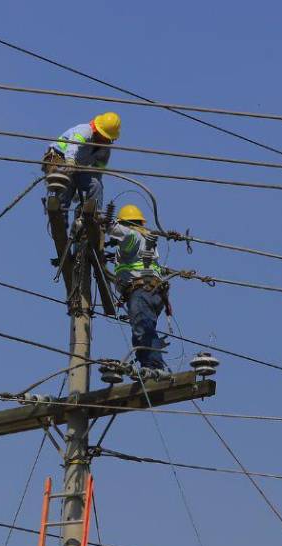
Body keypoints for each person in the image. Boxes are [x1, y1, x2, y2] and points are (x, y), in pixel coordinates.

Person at [106, 204, 170, 376]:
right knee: (142, 329)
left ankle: (155, 367)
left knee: (143, 328)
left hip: (141, 292)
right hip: (154, 294)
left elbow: (121, 232)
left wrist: (104, 222)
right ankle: (147, 366)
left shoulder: (132, 235)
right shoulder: (146, 239)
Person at [43, 112, 122, 223]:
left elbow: (97, 173)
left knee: (96, 185)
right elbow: (73, 145)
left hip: (76, 168)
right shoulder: (85, 130)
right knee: (66, 184)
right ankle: (60, 219)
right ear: (97, 131)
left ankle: (93, 219)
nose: (106, 140)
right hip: (59, 158)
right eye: (105, 137)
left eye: (109, 139)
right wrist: (70, 161)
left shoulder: (104, 150)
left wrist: (89, 197)